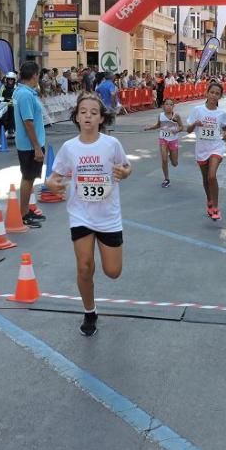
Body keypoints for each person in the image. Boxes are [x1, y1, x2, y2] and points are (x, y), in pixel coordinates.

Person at [45, 91, 131, 336]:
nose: (88, 117)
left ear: (101, 118)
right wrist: (52, 184)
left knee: (113, 272)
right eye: (83, 112)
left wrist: (124, 173)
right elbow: (54, 177)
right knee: (84, 267)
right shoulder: (69, 148)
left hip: (108, 215)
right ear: (76, 117)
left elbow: (126, 166)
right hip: (80, 214)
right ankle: (89, 311)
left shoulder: (111, 144)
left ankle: (93, 302)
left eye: (93, 113)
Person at [187, 81, 226, 221]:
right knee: (206, 179)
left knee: (212, 176)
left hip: (217, 147)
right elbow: (188, 130)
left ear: (220, 96)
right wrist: (195, 124)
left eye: (217, 94)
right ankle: (210, 201)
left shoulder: (221, 113)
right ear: (207, 93)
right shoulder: (198, 110)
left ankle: (216, 207)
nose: (214, 95)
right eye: (212, 92)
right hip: (202, 148)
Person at [12, 61, 46, 228]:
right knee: (28, 177)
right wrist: (37, 147)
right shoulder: (24, 95)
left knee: (30, 178)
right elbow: (28, 122)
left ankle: (25, 210)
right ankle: (24, 214)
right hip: (30, 145)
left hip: (29, 143)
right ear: (34, 75)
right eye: (38, 74)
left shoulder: (24, 92)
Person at [144, 97, 184, 188]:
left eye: (171, 104)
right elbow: (158, 125)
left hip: (173, 140)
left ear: (173, 106)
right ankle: (166, 179)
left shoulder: (176, 116)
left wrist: (177, 130)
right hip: (163, 139)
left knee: (175, 163)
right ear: (163, 106)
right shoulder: (161, 115)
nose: (169, 106)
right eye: (167, 104)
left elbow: (182, 127)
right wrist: (149, 128)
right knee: (164, 159)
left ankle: (171, 157)